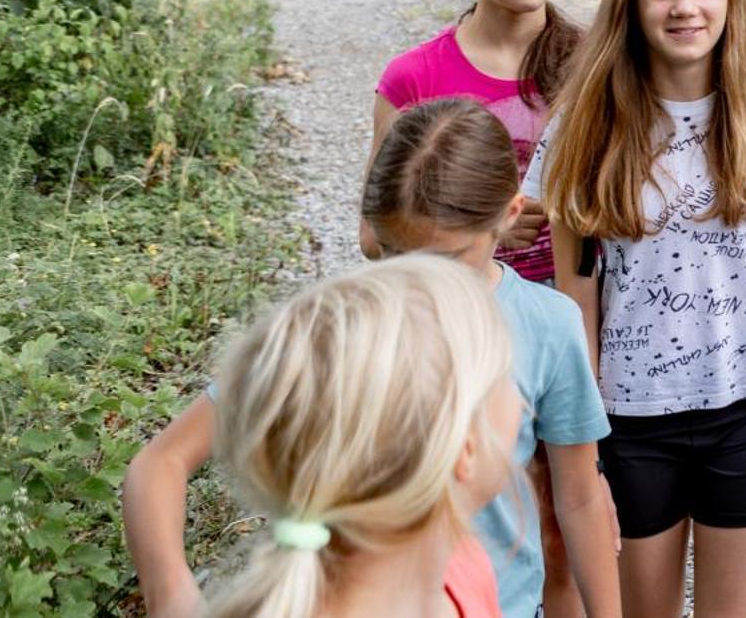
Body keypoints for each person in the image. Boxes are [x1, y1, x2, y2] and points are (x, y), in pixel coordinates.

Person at [124, 101, 622, 618]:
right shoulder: (337, 330)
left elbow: (579, 500)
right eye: (394, 251)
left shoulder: (546, 324)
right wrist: (171, 594)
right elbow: (161, 462)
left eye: (447, 260)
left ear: (510, 216)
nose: (417, 279)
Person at [532, 0, 746, 618]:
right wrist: (578, 422)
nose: (684, 6)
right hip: (631, 419)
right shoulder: (586, 122)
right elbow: (576, 279)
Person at [195, 255, 521, 618]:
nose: (520, 397)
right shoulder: (460, 568)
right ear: (464, 449)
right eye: (504, 375)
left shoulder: (463, 564)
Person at [371, 0, 581, 285]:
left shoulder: (596, 62)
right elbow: (374, 237)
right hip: (463, 308)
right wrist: (487, 228)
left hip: (581, 312)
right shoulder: (414, 78)